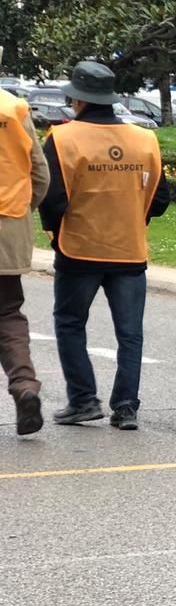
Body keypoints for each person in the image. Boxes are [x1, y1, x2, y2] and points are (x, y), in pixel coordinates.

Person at [39, 60, 169, 430]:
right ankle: (126, 407)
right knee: (130, 334)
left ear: (77, 101)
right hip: (129, 250)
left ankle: (83, 399)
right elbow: (159, 201)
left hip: (79, 248)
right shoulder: (145, 140)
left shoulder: (62, 139)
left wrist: (56, 235)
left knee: (69, 323)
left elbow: (51, 199)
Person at [0, 80, 48, 436]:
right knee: (8, 313)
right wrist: (20, 212)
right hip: (8, 225)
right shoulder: (14, 108)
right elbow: (39, 173)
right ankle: (24, 385)